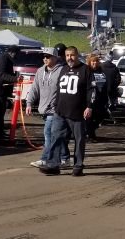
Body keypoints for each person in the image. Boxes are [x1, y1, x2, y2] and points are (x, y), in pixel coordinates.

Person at [40, 46, 95, 177]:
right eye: (67, 55)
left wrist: (89, 106)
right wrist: (55, 104)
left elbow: (92, 90)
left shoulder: (85, 70)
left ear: (77, 55)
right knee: (56, 137)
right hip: (60, 111)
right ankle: (53, 165)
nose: (70, 58)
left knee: (79, 139)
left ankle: (78, 166)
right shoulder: (63, 69)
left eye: (72, 55)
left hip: (77, 112)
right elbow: (58, 89)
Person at [25, 47, 70, 168]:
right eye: (44, 56)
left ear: (55, 58)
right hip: (43, 108)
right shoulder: (40, 71)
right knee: (57, 134)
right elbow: (35, 88)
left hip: (56, 109)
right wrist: (29, 103)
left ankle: (45, 158)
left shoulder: (62, 70)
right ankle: (65, 157)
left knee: (48, 133)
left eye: (48, 56)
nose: (45, 59)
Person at [0, 46, 22, 139]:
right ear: (13, 53)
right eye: (17, 54)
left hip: (2, 89)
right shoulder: (3, 59)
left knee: (1, 112)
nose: (17, 57)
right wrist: (15, 78)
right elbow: (1, 74)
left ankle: (0, 131)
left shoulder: (6, 58)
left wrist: (14, 75)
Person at [85, 53, 108, 141]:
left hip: (101, 98)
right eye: (93, 61)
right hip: (90, 98)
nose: (95, 63)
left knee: (100, 116)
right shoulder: (87, 71)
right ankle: (90, 134)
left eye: (96, 61)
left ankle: (90, 131)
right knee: (90, 117)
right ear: (89, 62)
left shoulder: (101, 71)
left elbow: (105, 83)